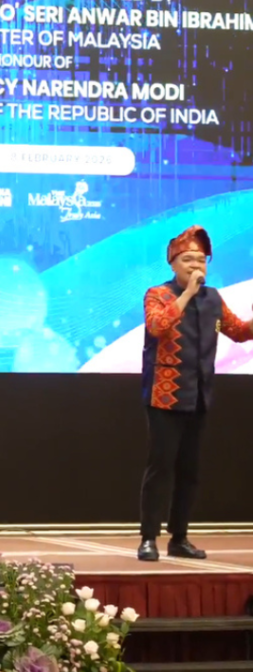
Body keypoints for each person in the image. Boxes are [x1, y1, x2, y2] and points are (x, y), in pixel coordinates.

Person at [138, 225, 253, 561]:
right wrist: (187, 294)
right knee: (160, 468)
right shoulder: (158, 294)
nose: (196, 266)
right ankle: (148, 538)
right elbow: (157, 326)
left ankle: (179, 538)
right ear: (173, 263)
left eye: (201, 260)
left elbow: (238, 331)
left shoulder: (213, 298)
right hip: (165, 396)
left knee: (189, 472)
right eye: (188, 260)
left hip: (199, 394)